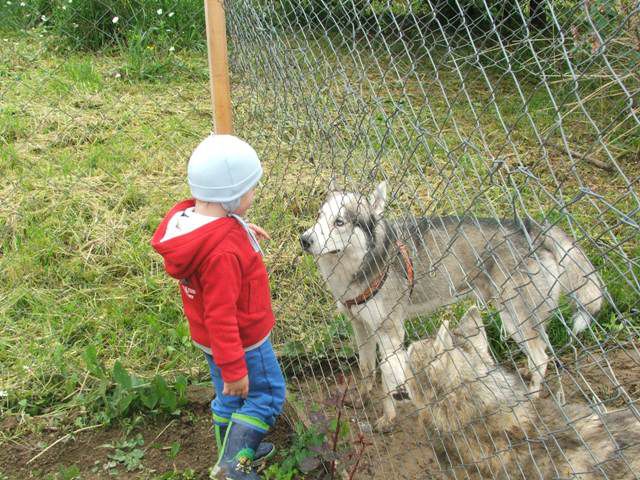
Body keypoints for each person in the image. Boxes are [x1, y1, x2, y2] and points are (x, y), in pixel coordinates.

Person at [151, 134, 286, 479]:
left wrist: (239, 229)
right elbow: (221, 313)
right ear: (231, 197)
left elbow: (214, 237)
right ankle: (233, 467)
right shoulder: (223, 252)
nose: (253, 194)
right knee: (266, 396)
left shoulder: (195, 225)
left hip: (209, 339)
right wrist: (235, 367)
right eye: (251, 189)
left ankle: (234, 452)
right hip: (242, 341)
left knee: (229, 397)